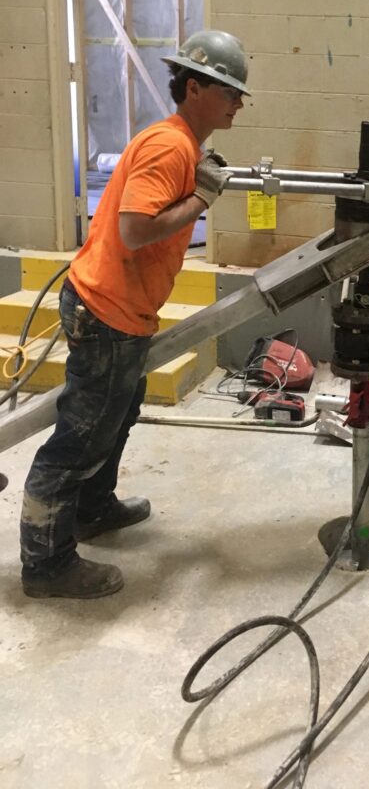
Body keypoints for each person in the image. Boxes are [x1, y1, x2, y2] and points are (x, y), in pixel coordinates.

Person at [20, 29, 250, 598]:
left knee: (118, 415)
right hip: (107, 310)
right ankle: (46, 565)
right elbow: (132, 229)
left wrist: (196, 183)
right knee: (79, 438)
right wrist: (201, 199)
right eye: (230, 92)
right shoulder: (170, 147)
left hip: (124, 310)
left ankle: (93, 510)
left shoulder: (182, 146)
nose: (239, 103)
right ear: (194, 88)